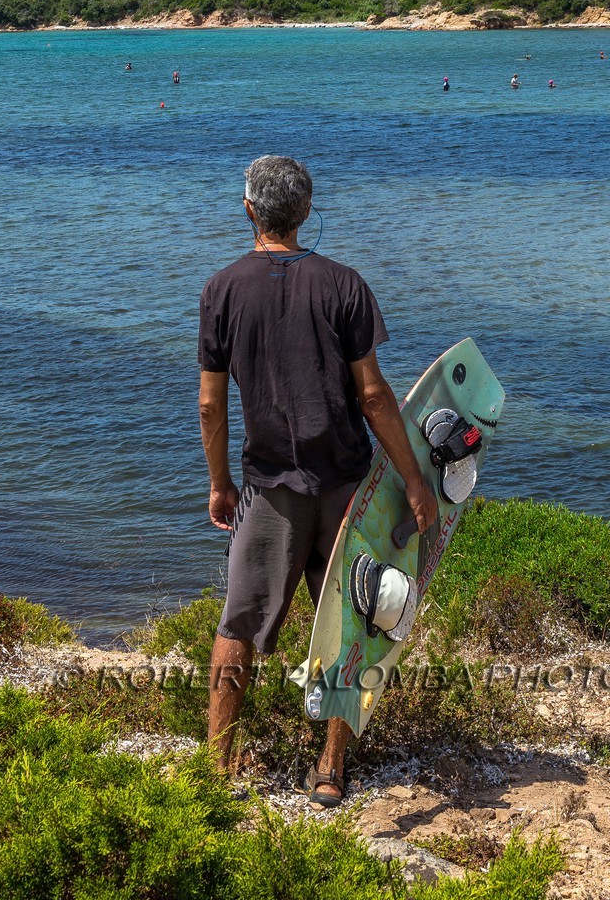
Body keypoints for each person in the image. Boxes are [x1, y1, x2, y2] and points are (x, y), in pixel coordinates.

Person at [197, 154, 438, 804]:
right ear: (304, 212)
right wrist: (414, 480)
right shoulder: (343, 285)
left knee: (237, 625)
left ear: (248, 209)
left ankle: (217, 770)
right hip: (344, 487)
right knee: (350, 621)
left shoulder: (221, 289)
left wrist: (219, 482)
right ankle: (329, 772)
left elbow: (210, 404)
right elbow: (375, 398)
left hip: (269, 489)